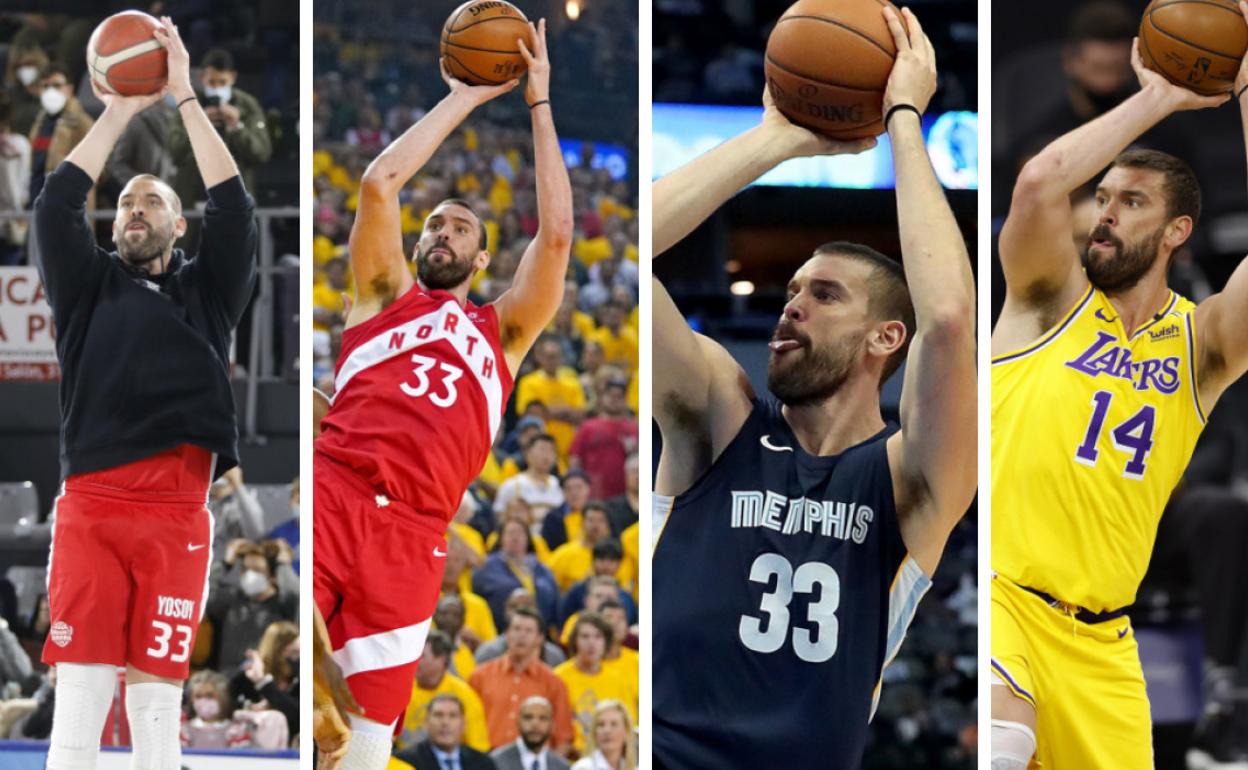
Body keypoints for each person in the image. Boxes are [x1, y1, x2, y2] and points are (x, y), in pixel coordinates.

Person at [651, 8, 976, 770]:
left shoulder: (909, 480)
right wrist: (777, 139)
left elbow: (953, 319)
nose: (792, 303)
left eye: (825, 295)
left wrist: (902, 117)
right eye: (792, 289)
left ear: (885, 339)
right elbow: (628, 244)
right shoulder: (719, 414)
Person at [989, 8, 1248, 767]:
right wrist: (1158, 97)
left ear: (1177, 234)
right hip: (1009, 603)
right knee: (1002, 743)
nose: (1104, 215)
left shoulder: (1203, 344)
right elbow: (1038, 180)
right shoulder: (1045, 299)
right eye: (1103, 198)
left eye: (1131, 203)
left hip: (1105, 640)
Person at [312, 19, 572, 767]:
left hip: (418, 531)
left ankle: (334, 715)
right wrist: (462, 96)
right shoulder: (383, 292)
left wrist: (539, 104)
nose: (441, 232)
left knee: (368, 737)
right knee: (306, 672)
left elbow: (556, 238)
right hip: (341, 489)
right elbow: (379, 183)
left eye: (459, 227)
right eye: (433, 224)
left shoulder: (506, 333)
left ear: (483, 255)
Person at [31, 17, 257, 770]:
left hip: (178, 513)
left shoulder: (208, 291)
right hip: (93, 505)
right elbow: (55, 206)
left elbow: (236, 208)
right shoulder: (87, 286)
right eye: (125, 203)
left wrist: (185, 100)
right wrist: (120, 109)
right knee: (82, 703)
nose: (133, 211)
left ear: (178, 224)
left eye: (150, 202)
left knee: (158, 707)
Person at [168, 47, 271, 211]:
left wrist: (237, 127)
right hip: (192, 197)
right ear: (202, 78)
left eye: (222, 82)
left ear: (233, 77)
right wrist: (199, 125)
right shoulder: (187, 105)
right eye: (212, 82)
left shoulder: (247, 106)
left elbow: (261, 153)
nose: (216, 88)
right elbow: (174, 151)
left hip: (236, 200)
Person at [468, 607, 574, 753]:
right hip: (487, 761)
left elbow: (563, 738)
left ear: (540, 639)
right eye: (517, 629)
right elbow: (466, 727)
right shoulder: (479, 677)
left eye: (529, 631)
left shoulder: (554, 682)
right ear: (506, 634)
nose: (521, 636)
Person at [553, 613, 636, 754]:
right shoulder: (558, 677)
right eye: (585, 636)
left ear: (606, 642)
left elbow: (629, 726)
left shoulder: (618, 680)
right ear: (574, 641)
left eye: (598, 637)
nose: (591, 643)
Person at [393, 694, 498, 770]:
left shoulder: (483, 763)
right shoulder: (406, 761)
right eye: (438, 715)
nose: (445, 722)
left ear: (463, 724)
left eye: (453, 716)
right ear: (426, 723)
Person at [490, 696, 571, 770]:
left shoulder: (562, 766)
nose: (535, 724)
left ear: (552, 725)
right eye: (528, 717)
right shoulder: (496, 761)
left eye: (543, 718)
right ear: (517, 722)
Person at [569, 700, 635, 770]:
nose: (607, 730)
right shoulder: (583, 768)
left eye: (614, 724)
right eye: (601, 725)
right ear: (594, 732)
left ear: (626, 731)